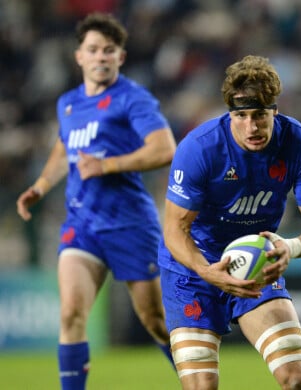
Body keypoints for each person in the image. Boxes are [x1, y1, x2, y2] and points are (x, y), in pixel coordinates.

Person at [15, 12, 177, 390]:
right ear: (79, 57)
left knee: (155, 319)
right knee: (71, 313)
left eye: (109, 50)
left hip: (130, 224)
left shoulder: (132, 99)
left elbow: (165, 148)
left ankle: (198, 379)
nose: (101, 57)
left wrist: (109, 165)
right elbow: (63, 148)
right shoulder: (68, 104)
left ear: (120, 57)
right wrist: (40, 185)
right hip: (82, 224)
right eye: (93, 50)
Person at [158, 54, 301, 389]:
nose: (251, 126)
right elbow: (174, 229)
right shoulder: (199, 149)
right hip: (193, 271)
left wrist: (290, 247)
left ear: (275, 111)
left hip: (255, 264)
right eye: (241, 116)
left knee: (297, 381)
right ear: (229, 113)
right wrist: (205, 269)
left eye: (260, 115)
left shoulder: (297, 144)